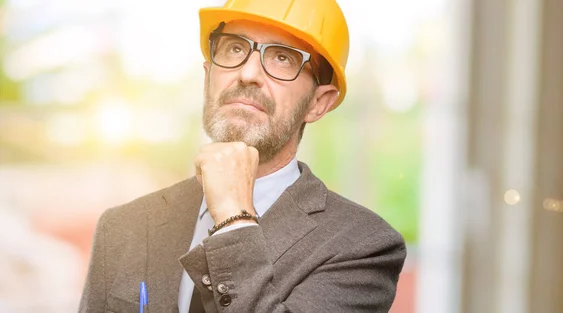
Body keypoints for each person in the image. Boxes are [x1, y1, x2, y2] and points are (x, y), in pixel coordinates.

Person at [78, 0, 406, 312]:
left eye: (282, 57)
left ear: (318, 103)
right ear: (208, 76)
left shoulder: (362, 245)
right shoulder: (123, 228)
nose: (248, 73)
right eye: (235, 48)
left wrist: (233, 217)